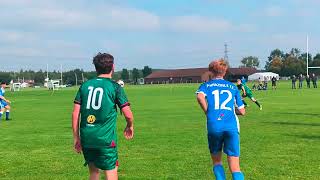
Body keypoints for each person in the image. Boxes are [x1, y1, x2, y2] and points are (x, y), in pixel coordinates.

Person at [72, 53, 134, 180]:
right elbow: (128, 114)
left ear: (96, 68)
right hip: (105, 139)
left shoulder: (85, 86)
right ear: (113, 66)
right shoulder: (114, 87)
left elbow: (75, 113)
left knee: (94, 173)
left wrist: (76, 138)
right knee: (111, 171)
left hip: (87, 138)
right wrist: (130, 125)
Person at [196, 59, 246, 180]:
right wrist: (230, 110)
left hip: (214, 126)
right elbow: (242, 111)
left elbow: (199, 96)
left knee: (217, 162)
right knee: (235, 167)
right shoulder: (232, 87)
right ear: (224, 72)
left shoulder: (206, 85)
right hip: (231, 126)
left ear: (211, 72)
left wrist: (208, 111)